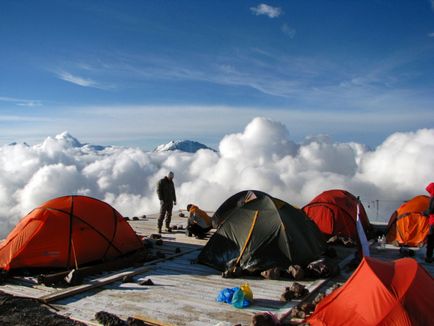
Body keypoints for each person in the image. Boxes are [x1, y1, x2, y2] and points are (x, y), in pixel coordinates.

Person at [425, 182, 434, 263]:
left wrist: (424, 213)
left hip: (433, 222)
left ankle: (429, 257)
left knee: (431, 240)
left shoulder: (433, 197)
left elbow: (431, 210)